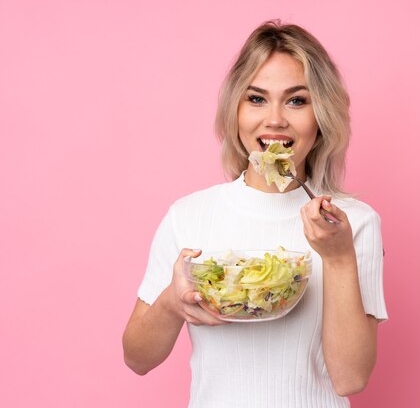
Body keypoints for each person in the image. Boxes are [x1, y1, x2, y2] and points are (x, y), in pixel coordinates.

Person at [122, 20, 388, 408]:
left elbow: (350, 378)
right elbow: (137, 359)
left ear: (321, 117)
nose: (275, 120)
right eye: (257, 99)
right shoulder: (189, 215)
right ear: (236, 110)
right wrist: (171, 303)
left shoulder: (353, 223)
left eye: (297, 100)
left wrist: (338, 257)